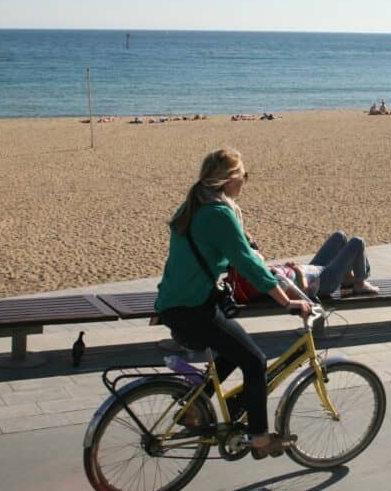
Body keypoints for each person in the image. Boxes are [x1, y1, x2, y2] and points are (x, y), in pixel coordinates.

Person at [153, 148, 313, 459]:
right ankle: (258, 438)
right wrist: (286, 301)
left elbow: (221, 250)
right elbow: (248, 265)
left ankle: (193, 410)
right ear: (229, 181)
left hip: (174, 303)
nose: (245, 183)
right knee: (254, 360)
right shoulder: (219, 213)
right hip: (194, 309)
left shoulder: (194, 204)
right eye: (244, 177)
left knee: (233, 350)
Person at [303, 231, 379, 297]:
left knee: (339, 236)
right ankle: (360, 284)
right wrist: (298, 271)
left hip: (310, 270)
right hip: (320, 282)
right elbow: (301, 289)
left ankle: (347, 281)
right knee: (358, 242)